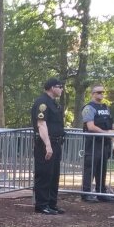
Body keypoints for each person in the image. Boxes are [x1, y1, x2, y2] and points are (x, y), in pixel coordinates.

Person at [31, 77, 66, 215]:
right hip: (46, 143)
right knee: (44, 174)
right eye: (60, 86)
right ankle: (42, 204)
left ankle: (52, 203)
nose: (62, 89)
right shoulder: (42, 103)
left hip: (56, 142)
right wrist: (48, 145)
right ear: (52, 87)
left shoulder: (53, 103)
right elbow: (41, 124)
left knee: (54, 174)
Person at [81, 85, 114, 202]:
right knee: (90, 168)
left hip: (104, 143)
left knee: (102, 168)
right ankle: (86, 193)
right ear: (92, 94)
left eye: (102, 92)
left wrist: (112, 131)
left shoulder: (105, 107)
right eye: (98, 92)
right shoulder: (89, 108)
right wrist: (106, 132)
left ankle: (101, 192)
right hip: (94, 142)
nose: (101, 94)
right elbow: (90, 126)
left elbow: (110, 123)